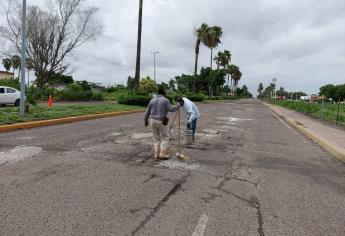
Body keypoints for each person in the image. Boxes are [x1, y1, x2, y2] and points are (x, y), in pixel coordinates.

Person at [144, 88, 180, 160]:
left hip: (152, 120)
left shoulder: (152, 100)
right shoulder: (165, 100)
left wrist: (145, 120)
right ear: (164, 93)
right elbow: (171, 109)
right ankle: (162, 154)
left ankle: (156, 154)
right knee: (165, 137)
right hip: (161, 121)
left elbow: (147, 111)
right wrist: (178, 105)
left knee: (156, 138)